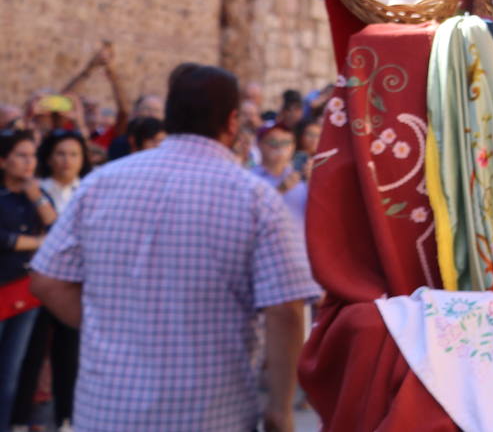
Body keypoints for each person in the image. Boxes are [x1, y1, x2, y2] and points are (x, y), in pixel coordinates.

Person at [29, 63, 321, 432]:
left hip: (109, 410)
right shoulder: (254, 198)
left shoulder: (101, 184)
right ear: (232, 122)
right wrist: (280, 409)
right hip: (211, 414)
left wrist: (113, 324)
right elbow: (286, 310)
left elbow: (46, 281)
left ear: (170, 116)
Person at [14, 131, 91, 432]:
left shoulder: (88, 189)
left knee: (68, 355)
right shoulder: (36, 190)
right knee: (30, 356)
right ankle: (20, 419)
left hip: (73, 285)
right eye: (60, 153)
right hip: (37, 283)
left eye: (74, 154)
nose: (67, 161)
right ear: (49, 157)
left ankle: (67, 419)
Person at [0, 130, 56, 429]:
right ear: (3, 160)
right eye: (21, 155)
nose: (28, 162)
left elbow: (58, 230)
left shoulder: (35, 194)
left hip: (26, 292)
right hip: (2, 286)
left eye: (32, 155)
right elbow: (4, 240)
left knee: (11, 370)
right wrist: (37, 242)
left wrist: (36, 198)